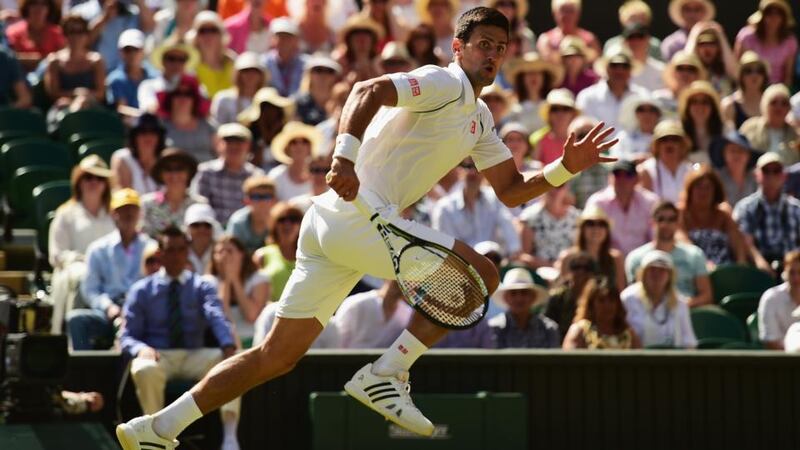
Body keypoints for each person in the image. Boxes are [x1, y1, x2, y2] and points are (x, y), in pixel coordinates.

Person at [116, 8, 617, 447]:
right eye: (483, 44)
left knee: (275, 356)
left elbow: (510, 190)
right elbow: (368, 88)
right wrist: (344, 157)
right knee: (481, 274)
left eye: (500, 48)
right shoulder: (443, 83)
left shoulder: (480, 117)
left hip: (330, 226)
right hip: (356, 213)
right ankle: (388, 372)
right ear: (458, 47)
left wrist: (566, 169)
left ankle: (158, 427)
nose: (492, 54)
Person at [121, 226, 241, 450]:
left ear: (187, 252)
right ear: (160, 253)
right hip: (159, 356)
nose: (175, 255)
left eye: (180, 249)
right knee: (143, 367)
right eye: (170, 250)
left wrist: (227, 344)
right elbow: (127, 336)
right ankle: (153, 435)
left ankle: (230, 436)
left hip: (194, 355)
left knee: (230, 363)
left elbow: (216, 315)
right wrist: (140, 349)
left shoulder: (202, 286)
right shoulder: (141, 290)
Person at [67, 189, 153, 350]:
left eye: (132, 209)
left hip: (142, 313)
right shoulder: (97, 249)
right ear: (113, 214)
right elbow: (91, 290)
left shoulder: (150, 247)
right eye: (122, 210)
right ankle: (83, 371)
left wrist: (135, 308)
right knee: (76, 319)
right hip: (109, 312)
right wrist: (108, 307)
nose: (128, 214)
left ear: (139, 213)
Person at [48, 156, 115, 334]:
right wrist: (84, 260)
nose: (94, 182)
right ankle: (73, 335)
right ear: (79, 181)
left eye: (100, 178)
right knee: (82, 275)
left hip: (110, 271)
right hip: (73, 271)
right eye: (88, 177)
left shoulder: (114, 214)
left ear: (106, 184)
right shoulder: (65, 213)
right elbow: (56, 255)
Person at [626, 201, 712, 307]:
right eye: (661, 219)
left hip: (688, 314)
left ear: (677, 222)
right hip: (648, 314)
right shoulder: (636, 257)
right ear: (652, 222)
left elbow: (706, 295)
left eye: (672, 219)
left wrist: (680, 308)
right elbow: (633, 296)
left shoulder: (694, 255)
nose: (665, 224)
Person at [431, 158, 521, 255]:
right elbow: (446, 250)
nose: (473, 172)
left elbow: (509, 233)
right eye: (468, 167)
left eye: (478, 167)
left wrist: (514, 252)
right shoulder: (444, 208)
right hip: (462, 266)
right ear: (458, 170)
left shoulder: (495, 199)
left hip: (493, 261)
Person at [733, 153, 800, 276]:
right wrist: (761, 263)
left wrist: (792, 268)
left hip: (793, 274)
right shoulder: (745, 208)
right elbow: (745, 242)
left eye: (776, 171)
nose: (771, 176)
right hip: (757, 273)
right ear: (756, 175)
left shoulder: (796, 208)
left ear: (784, 176)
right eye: (766, 171)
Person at [620, 250, 697, 348]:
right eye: (652, 270)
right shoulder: (628, 298)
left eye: (662, 270)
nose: (656, 275)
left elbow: (689, 342)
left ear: (670, 275)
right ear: (643, 273)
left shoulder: (680, 303)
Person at [193, 123, 265, 225]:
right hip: (212, 231)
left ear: (248, 146)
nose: (234, 146)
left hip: (246, 233)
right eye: (229, 141)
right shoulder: (206, 172)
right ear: (219, 144)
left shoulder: (257, 176)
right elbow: (200, 206)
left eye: (239, 142)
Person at [677, 165, 749, 267]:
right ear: (690, 190)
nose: (703, 192)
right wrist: (703, 265)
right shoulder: (681, 213)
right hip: (693, 268)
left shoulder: (723, 213)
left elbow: (737, 242)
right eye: (699, 187)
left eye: (708, 187)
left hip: (724, 269)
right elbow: (681, 240)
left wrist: (741, 264)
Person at [585, 159, 659, 256]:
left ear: (637, 179)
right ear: (610, 178)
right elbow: (588, 238)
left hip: (642, 261)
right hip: (607, 261)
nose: (622, 180)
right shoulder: (598, 202)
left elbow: (656, 237)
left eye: (628, 175)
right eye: (617, 175)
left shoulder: (650, 202)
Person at [208, 235, 269, 346]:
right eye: (220, 252)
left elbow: (251, 315)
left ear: (242, 254)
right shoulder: (207, 282)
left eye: (230, 251)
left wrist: (235, 280)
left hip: (253, 340)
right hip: (223, 343)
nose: (225, 256)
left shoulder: (259, 278)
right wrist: (226, 280)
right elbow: (221, 314)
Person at [575, 48, 647, 132]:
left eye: (625, 66)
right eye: (614, 65)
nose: (619, 70)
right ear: (606, 68)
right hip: (598, 144)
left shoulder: (643, 96)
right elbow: (583, 130)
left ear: (631, 70)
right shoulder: (588, 97)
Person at [556, 206, 625, 292]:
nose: (596, 229)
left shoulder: (616, 258)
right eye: (590, 224)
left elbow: (620, 292)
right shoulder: (568, 258)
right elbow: (563, 292)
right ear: (582, 229)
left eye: (602, 224)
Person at [140, 148, 206, 238]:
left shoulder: (199, 204)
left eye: (180, 168)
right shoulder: (147, 203)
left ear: (189, 172)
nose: (174, 175)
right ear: (160, 173)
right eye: (168, 169)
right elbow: (143, 237)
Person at [562, 276, 641, 349]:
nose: (607, 305)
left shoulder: (628, 334)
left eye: (611, 300)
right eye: (601, 300)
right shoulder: (580, 331)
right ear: (591, 304)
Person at [488, 267, 559, 348]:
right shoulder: (494, 328)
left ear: (533, 297)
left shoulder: (548, 329)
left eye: (524, 292)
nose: (519, 299)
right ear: (506, 298)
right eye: (513, 293)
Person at [43, 15, 105, 106]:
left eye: (80, 32)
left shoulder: (96, 61)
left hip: (91, 108)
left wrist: (84, 97)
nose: (76, 36)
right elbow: (53, 93)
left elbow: (101, 94)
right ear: (64, 35)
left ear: (87, 35)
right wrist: (74, 94)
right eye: (71, 32)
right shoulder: (54, 61)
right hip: (63, 108)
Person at [733, 0, 797, 86]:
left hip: (776, 91)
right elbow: (737, 69)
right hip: (750, 88)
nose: (773, 18)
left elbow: (788, 77)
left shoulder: (790, 41)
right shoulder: (747, 37)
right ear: (762, 16)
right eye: (769, 13)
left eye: (778, 14)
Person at [335, 280, 413, 348]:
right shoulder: (355, 303)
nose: (402, 285)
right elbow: (335, 342)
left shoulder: (408, 314)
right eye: (398, 280)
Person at [156, 75, 216, 164]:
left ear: (195, 100)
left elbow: (221, 153)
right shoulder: (160, 127)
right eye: (177, 94)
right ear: (169, 99)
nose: (182, 98)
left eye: (188, 94)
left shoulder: (208, 127)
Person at [518, 182, 580, 268]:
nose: (553, 190)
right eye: (548, 185)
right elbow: (523, 256)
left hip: (570, 272)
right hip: (540, 274)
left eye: (559, 185)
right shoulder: (529, 217)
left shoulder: (576, 217)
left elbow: (580, 249)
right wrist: (551, 266)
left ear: (566, 188)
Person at [502, 51, 563, 134]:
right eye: (529, 73)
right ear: (522, 78)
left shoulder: (554, 106)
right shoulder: (513, 108)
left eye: (538, 73)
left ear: (545, 77)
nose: (534, 77)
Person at [252, 202, 302, 302]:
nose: (287, 224)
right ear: (274, 224)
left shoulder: (311, 254)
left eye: (293, 219)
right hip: (272, 315)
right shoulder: (261, 256)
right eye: (282, 219)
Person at [739, 84, 798, 166]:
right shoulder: (750, 128)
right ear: (765, 104)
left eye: (784, 103)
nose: (779, 107)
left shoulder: (795, 135)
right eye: (773, 102)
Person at [236, 86, 295, 168]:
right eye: (265, 107)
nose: (269, 112)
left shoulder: (288, 135)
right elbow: (251, 163)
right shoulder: (250, 134)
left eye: (273, 107)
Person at [545, 250, 596, 342]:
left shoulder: (597, 298)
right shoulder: (557, 297)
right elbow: (548, 326)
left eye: (586, 268)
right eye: (576, 267)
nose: (581, 271)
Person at [638, 119, 694, 204]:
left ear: (682, 144)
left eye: (675, 139)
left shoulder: (692, 171)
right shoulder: (646, 171)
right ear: (657, 145)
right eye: (664, 140)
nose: (669, 143)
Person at [138, 39, 199, 113]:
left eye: (181, 59)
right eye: (171, 58)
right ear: (162, 61)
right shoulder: (148, 86)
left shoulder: (195, 87)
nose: (176, 64)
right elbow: (151, 110)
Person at [111, 113, 166, 195]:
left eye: (153, 132)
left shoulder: (167, 159)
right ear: (134, 137)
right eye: (143, 132)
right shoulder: (123, 158)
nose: (148, 136)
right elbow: (125, 200)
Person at [266, 121, 321, 201]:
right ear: (286, 148)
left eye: (304, 141)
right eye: (293, 142)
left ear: (310, 147)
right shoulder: (276, 176)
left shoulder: (321, 174)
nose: (299, 146)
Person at [5, 0, 65, 72]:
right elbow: (8, 59)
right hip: (19, 76)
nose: (39, 8)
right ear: (27, 7)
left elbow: (62, 59)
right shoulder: (13, 32)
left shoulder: (57, 33)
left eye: (44, 4)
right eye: (34, 3)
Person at [211, 52, 269, 126]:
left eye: (255, 71)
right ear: (238, 75)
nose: (250, 75)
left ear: (262, 76)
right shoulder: (224, 99)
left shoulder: (266, 101)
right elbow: (217, 128)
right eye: (246, 71)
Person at [758, 250, 800, 350]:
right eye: (792, 272)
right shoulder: (771, 298)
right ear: (784, 273)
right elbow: (771, 342)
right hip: (781, 363)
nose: (796, 278)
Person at [188, 11, 235, 98]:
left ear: (221, 34)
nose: (208, 35)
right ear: (195, 36)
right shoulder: (189, 66)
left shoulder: (232, 62)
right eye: (203, 31)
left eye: (213, 30)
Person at [536, 0, 600, 64]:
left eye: (571, 11)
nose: (567, 15)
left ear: (578, 13)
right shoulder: (546, 39)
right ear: (554, 12)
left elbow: (597, 62)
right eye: (563, 10)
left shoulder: (589, 39)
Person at [106, 29, 157, 110]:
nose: (132, 54)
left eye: (136, 49)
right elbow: (122, 110)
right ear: (120, 52)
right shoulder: (115, 79)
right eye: (128, 50)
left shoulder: (155, 77)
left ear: (143, 51)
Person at [684, 21, 737, 97]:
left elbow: (734, 72)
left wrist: (720, 35)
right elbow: (686, 61)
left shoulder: (725, 70)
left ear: (719, 47)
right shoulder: (693, 71)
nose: (707, 49)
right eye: (702, 44)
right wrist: (694, 33)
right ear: (696, 47)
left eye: (712, 44)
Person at [226, 175, 277, 253]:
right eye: (256, 197)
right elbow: (231, 253)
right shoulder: (237, 222)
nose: (262, 202)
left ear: (274, 200)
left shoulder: (280, 221)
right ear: (247, 200)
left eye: (267, 197)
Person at [678, 80, 724, 165]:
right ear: (687, 107)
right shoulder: (678, 132)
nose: (700, 107)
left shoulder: (725, 130)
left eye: (705, 102)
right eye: (694, 102)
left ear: (713, 107)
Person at [720, 51, 769, 130]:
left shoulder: (773, 103)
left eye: (759, 71)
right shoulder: (729, 105)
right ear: (741, 75)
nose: (754, 75)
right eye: (748, 71)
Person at [652, 50, 707, 117]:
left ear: (698, 74)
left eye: (691, 69)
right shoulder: (658, 99)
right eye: (680, 68)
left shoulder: (704, 103)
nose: (685, 73)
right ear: (672, 72)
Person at [263, 18, 308, 98]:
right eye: (280, 36)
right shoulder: (264, 62)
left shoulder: (307, 64)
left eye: (288, 37)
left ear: (296, 40)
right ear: (273, 39)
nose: (283, 41)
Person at [532, 88, 578, 165]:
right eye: (555, 109)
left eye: (565, 109)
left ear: (573, 113)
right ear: (548, 114)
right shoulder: (540, 141)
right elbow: (534, 171)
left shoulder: (580, 138)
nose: (560, 113)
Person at [614, 93, 662, 163]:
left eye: (652, 110)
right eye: (641, 110)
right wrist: (632, 159)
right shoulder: (624, 136)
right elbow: (614, 157)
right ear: (635, 114)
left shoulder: (666, 139)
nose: (646, 114)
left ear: (658, 114)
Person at [295, 56, 341, 126]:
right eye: (318, 70)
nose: (323, 75)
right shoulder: (299, 103)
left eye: (329, 71)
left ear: (335, 76)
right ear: (309, 74)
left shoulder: (340, 101)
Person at [716, 132, 759, 207]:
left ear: (748, 156)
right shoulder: (717, 178)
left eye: (740, 151)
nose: (736, 155)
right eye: (732, 151)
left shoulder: (756, 177)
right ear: (724, 154)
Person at [621, 23, 665, 92]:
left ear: (648, 39)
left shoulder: (662, 70)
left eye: (640, 36)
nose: (636, 41)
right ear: (624, 42)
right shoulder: (617, 71)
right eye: (631, 37)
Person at [184, 203, 222, 274]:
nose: (202, 230)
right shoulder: (178, 251)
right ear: (188, 228)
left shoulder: (221, 252)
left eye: (207, 225)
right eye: (196, 225)